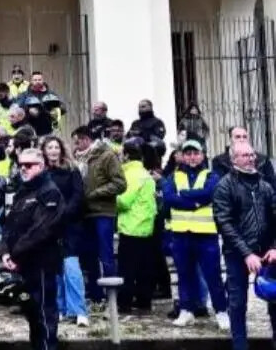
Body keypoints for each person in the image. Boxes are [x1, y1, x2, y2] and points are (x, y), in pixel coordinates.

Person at [0, 148, 65, 350]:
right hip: (23, 262)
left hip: (42, 263)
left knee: (45, 314)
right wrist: (5, 251)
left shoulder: (50, 192)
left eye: (30, 165)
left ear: (42, 165)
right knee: (32, 313)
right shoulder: (23, 191)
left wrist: (14, 252)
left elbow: (42, 230)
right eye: (21, 165)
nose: (24, 169)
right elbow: (8, 225)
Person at [212, 141, 276, 350]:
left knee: (274, 298)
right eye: (244, 155)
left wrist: (274, 247)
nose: (251, 158)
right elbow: (225, 224)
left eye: (252, 154)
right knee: (238, 303)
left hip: (267, 251)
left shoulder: (265, 185)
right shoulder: (224, 186)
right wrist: (247, 253)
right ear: (233, 159)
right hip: (236, 253)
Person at [163, 139, 230, 329]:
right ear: (182, 157)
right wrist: (195, 202)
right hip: (181, 234)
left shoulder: (212, 175)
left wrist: (183, 195)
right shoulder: (173, 177)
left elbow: (210, 193)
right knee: (184, 275)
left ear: (202, 155)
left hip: (205, 235)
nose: (192, 157)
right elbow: (168, 198)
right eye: (188, 154)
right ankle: (186, 310)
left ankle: (221, 311)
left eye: (195, 153)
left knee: (213, 275)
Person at [72, 125, 126, 305]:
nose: (75, 146)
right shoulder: (77, 159)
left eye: (77, 142)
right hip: (84, 213)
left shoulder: (107, 156)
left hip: (103, 211)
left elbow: (120, 184)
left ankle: (112, 297)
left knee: (106, 254)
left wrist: (95, 193)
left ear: (86, 139)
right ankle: (96, 296)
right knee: (89, 255)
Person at [41, 136, 89, 326]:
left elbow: (78, 196)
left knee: (71, 267)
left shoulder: (71, 170)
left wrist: (63, 214)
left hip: (70, 224)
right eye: (49, 147)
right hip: (47, 226)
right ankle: (59, 308)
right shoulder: (42, 173)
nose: (53, 151)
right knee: (54, 269)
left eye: (56, 147)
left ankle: (78, 310)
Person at [116, 139, 158, 314]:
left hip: (131, 227)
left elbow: (124, 201)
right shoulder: (145, 174)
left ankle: (124, 304)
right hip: (146, 226)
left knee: (127, 269)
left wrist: (111, 198)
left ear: (126, 155)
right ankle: (144, 301)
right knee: (144, 268)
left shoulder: (129, 175)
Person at [211, 126, 276, 189]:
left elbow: (272, 184)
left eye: (245, 137)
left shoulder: (263, 160)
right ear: (230, 139)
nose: (242, 140)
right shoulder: (220, 161)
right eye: (237, 137)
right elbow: (220, 186)